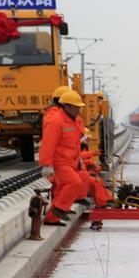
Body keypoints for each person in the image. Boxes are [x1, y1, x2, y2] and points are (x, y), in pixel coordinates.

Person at [39, 90, 87, 226]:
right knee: (74, 182)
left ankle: (51, 218)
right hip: (59, 161)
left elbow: (76, 142)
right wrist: (46, 165)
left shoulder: (73, 121)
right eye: (76, 106)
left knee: (63, 188)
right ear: (66, 106)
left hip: (71, 160)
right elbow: (48, 144)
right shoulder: (56, 122)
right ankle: (59, 208)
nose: (78, 109)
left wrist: (79, 159)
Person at [78, 130, 111, 207]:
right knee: (96, 182)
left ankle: (107, 200)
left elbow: (82, 160)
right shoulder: (74, 148)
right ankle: (102, 204)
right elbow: (79, 157)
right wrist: (92, 155)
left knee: (98, 181)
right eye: (86, 139)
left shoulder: (81, 148)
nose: (87, 141)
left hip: (82, 175)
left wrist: (93, 167)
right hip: (79, 177)